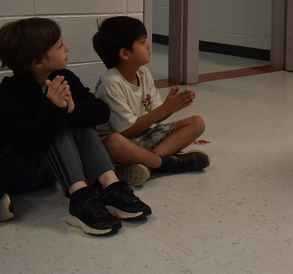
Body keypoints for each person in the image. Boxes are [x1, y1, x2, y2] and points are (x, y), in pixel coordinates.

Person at [0, 18, 151, 235]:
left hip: (53, 171)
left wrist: (71, 109)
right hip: (24, 172)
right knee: (58, 121)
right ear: (38, 61)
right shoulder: (10, 92)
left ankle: (110, 186)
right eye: (60, 46)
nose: (67, 48)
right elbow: (27, 144)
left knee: (78, 117)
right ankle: (80, 199)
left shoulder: (64, 77)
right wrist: (54, 108)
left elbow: (101, 111)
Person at [93, 16, 210, 187]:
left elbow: (155, 116)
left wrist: (170, 107)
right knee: (113, 142)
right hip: (122, 143)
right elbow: (125, 131)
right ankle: (167, 164)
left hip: (145, 136)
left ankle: (147, 164)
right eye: (142, 42)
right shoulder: (111, 81)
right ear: (125, 53)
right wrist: (164, 110)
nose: (148, 46)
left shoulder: (144, 73)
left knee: (196, 122)